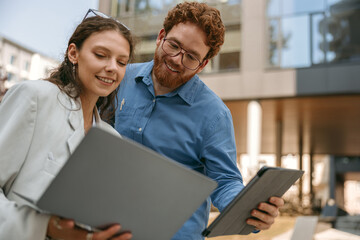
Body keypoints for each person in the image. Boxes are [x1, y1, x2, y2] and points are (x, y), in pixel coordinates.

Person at [114, 2, 284, 239]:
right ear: (161, 36)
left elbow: (225, 182)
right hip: (113, 230)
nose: (176, 59)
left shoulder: (214, 114)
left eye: (191, 57)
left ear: (203, 64)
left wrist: (253, 210)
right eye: (174, 45)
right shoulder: (119, 78)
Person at [0, 9, 135, 240]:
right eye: (101, 55)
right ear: (74, 53)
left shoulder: (111, 138)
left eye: (121, 62)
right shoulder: (35, 97)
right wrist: (46, 227)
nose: (113, 67)